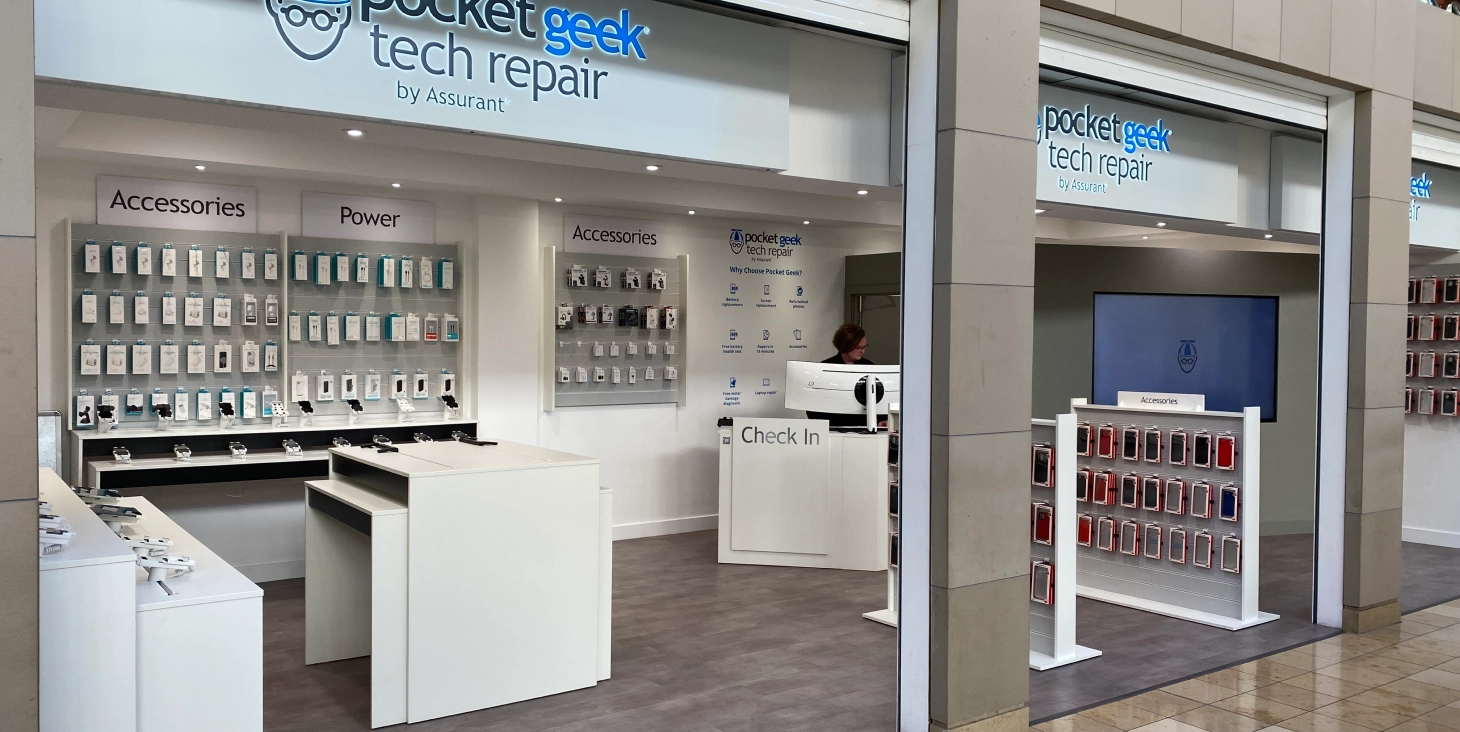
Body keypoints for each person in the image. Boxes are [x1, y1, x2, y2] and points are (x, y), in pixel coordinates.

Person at [808, 323, 879, 428]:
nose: (863, 351)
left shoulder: (870, 368)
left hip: (863, 426)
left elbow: (879, 401)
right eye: (859, 348)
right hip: (831, 426)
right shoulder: (824, 368)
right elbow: (812, 403)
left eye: (865, 347)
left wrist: (882, 420)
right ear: (846, 345)